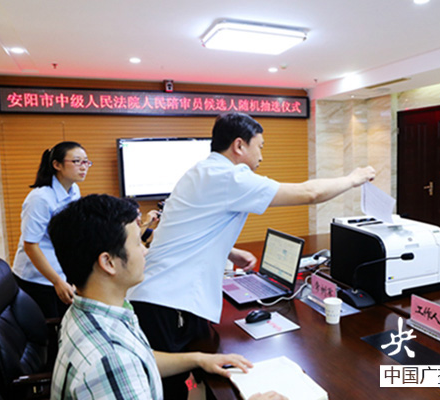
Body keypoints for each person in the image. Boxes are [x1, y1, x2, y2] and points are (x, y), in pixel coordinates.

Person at [127, 112, 376, 398]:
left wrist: (229, 252)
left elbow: (184, 229)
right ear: (239, 145)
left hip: (157, 294)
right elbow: (309, 193)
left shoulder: (201, 171)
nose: (261, 156)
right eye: (259, 146)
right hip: (167, 301)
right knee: (169, 390)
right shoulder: (229, 176)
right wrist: (353, 178)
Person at [48, 194, 285, 400]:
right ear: (108, 262)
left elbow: (142, 359)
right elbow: (123, 364)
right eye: (137, 243)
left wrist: (199, 359)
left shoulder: (89, 311)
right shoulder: (111, 362)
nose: (145, 252)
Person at [12, 141, 92, 318]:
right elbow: (30, 245)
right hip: (38, 279)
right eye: (77, 161)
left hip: (61, 272)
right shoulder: (40, 198)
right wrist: (56, 281)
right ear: (57, 165)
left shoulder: (74, 190)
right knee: (48, 328)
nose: (83, 167)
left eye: (86, 161)